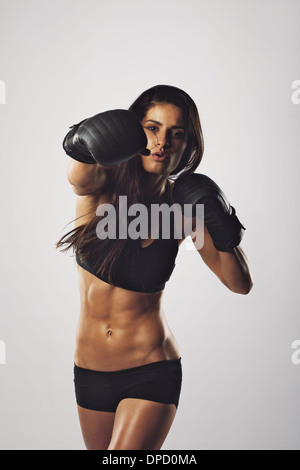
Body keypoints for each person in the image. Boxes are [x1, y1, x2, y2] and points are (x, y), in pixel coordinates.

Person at [56, 84, 253, 450]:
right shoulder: (102, 185)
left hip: (151, 369)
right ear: (133, 132)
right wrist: (82, 142)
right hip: (89, 373)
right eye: (152, 128)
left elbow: (239, 283)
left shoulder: (183, 212)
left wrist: (224, 226)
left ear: (187, 146)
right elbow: (77, 176)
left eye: (176, 133)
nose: (163, 141)